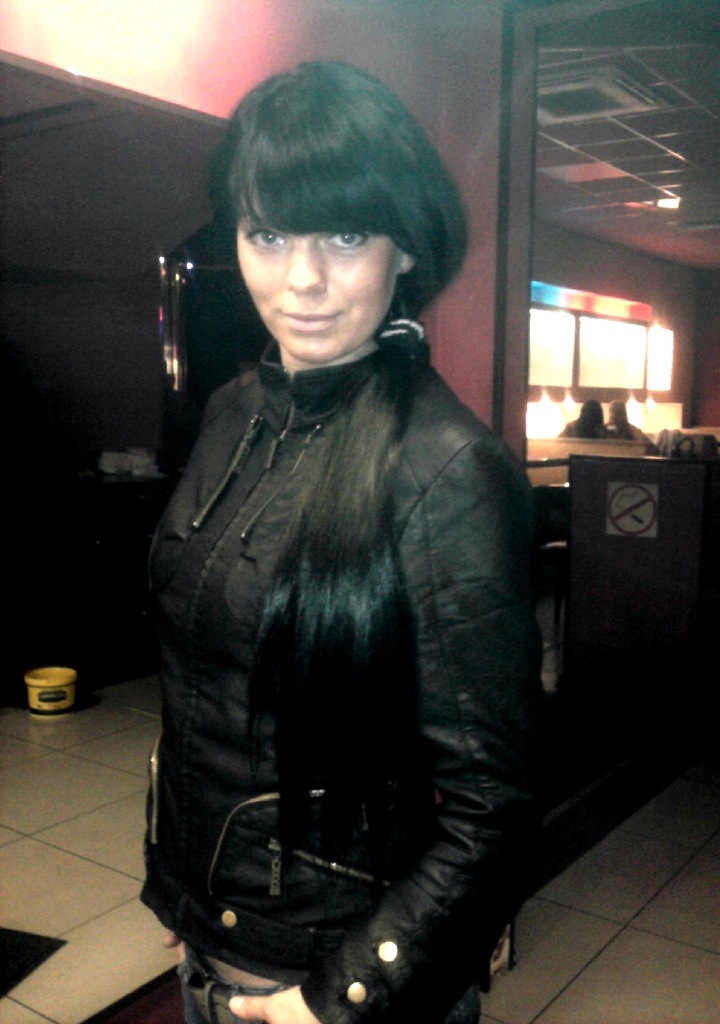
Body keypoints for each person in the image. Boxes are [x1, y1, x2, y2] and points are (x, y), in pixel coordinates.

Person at [141, 61, 541, 1024]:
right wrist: (182, 881)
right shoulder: (232, 412)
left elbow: (494, 803)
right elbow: (201, 693)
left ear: (405, 248)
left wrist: (341, 996)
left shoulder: (446, 470)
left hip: (332, 985)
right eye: (269, 234)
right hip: (215, 939)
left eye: (347, 235)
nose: (303, 280)